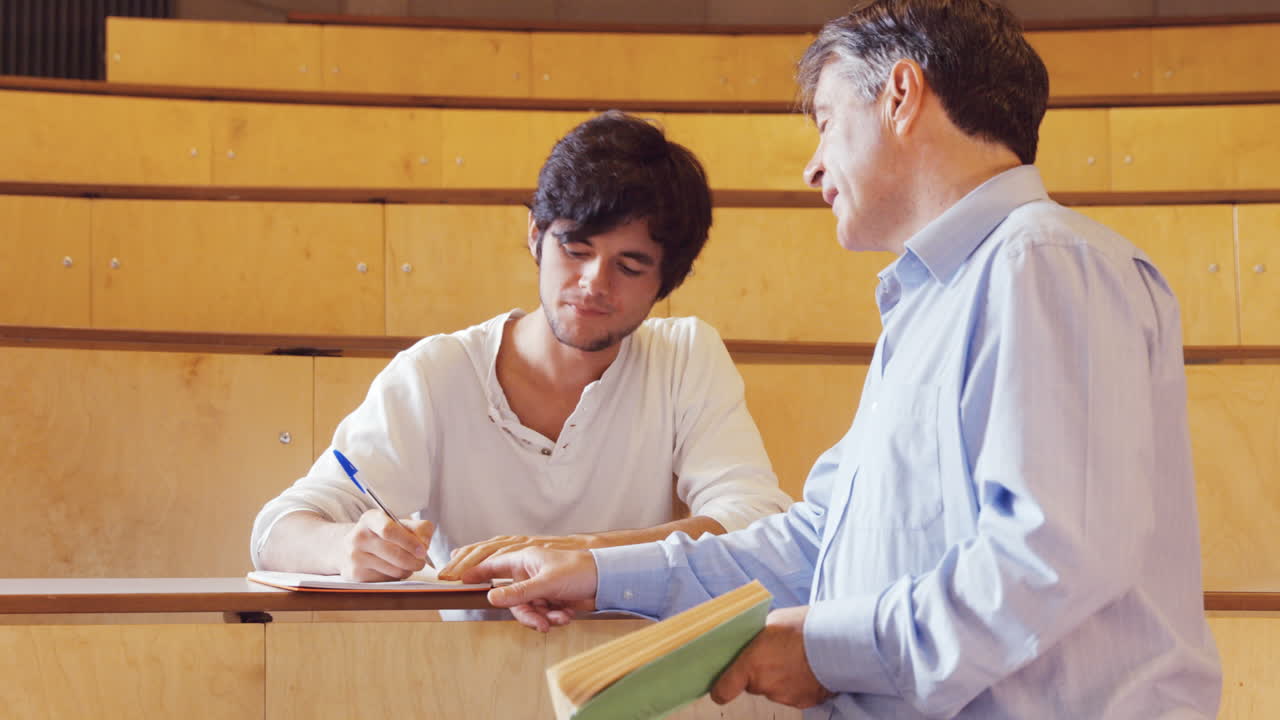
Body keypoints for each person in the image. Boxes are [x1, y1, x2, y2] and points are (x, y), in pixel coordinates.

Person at [461, 1, 1223, 716]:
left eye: (827, 122)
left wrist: (827, 651)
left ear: (899, 94)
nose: (813, 167)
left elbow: (1053, 557)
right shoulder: (931, 304)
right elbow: (819, 543)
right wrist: (598, 574)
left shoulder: (1045, 261)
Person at [249, 111, 793, 600]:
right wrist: (346, 546)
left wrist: (587, 557)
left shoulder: (685, 357)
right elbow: (277, 531)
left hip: (627, 672)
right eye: (575, 250)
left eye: (628, 267)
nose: (592, 283)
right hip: (461, 682)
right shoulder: (436, 374)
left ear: (666, 279)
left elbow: (756, 519)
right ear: (535, 234)